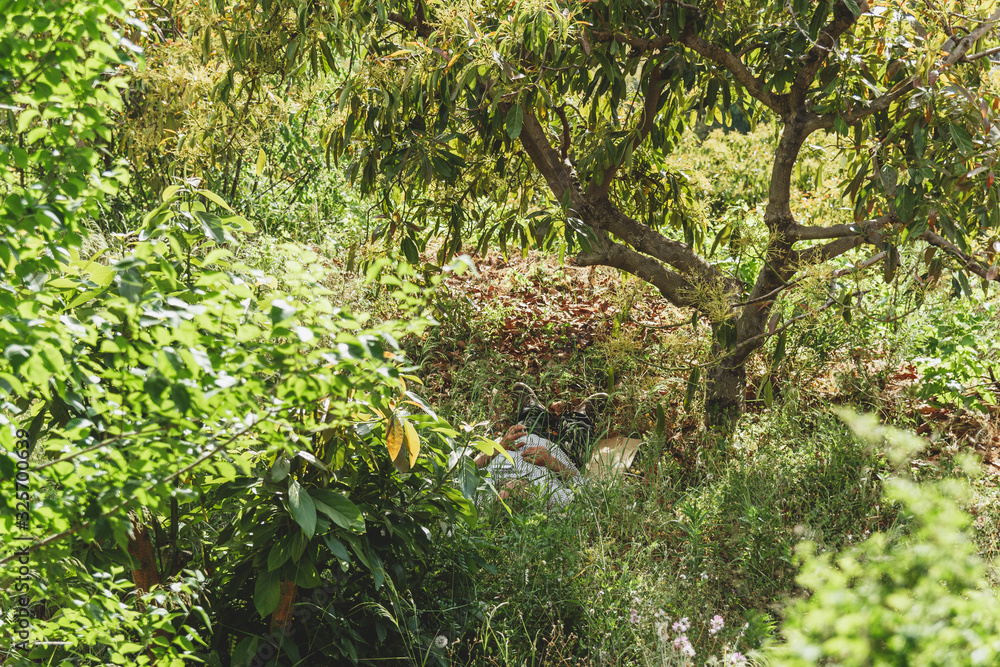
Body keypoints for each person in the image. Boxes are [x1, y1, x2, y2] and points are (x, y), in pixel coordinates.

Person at [475, 383, 607, 507]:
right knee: (578, 434)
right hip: (559, 451)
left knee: (528, 420)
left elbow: (465, 471)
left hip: (520, 441)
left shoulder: (482, 496)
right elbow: (589, 493)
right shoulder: (550, 496)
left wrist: (500, 447)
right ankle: (581, 413)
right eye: (519, 494)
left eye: (504, 489)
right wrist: (552, 462)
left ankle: (534, 409)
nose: (514, 486)